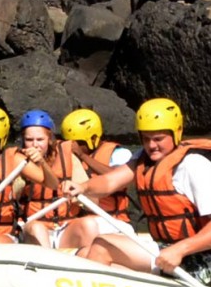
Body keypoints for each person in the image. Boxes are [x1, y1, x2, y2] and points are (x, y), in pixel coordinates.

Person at [77, 98, 211, 275]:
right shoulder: (144, 160)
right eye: (146, 139)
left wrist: (180, 249)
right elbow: (110, 182)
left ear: (176, 133)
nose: (151, 145)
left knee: (102, 246)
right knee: (85, 253)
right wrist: (82, 187)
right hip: (167, 249)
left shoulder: (194, 165)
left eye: (158, 139)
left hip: (203, 259)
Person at [30, 107, 138, 253]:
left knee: (90, 225)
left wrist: (83, 156)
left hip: (114, 221)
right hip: (84, 220)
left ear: (93, 138)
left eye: (78, 143)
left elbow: (117, 178)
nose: (73, 147)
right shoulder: (70, 159)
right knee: (86, 225)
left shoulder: (119, 154)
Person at [0, 109, 72, 240]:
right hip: (27, 227)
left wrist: (42, 163)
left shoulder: (65, 155)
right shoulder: (18, 159)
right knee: (36, 228)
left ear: (50, 140)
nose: (35, 145)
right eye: (29, 139)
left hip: (60, 226)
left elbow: (53, 185)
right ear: (23, 140)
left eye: (40, 139)